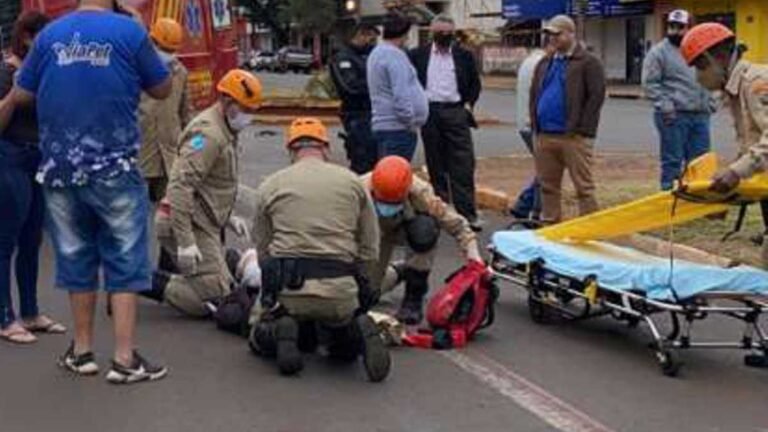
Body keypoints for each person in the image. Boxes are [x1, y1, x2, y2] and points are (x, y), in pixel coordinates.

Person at [10, 0, 173, 384]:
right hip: (113, 167)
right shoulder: (129, 31)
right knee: (124, 259)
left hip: (60, 170)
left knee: (76, 258)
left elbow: (21, 93)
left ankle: (82, 352)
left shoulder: (50, 35)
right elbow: (162, 88)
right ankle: (123, 359)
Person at [248, 117, 390, 382]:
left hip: (290, 292)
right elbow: (370, 247)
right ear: (326, 148)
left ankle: (279, 331)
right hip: (340, 290)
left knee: (258, 336)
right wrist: (359, 287)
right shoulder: (353, 183)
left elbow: (263, 250)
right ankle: (354, 332)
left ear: (291, 150)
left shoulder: (271, 184)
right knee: (340, 348)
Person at [143, 69, 261, 317]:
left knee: (226, 289)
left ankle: (195, 274)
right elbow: (180, 186)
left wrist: (227, 218)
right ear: (228, 102)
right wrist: (185, 243)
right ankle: (137, 279)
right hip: (184, 222)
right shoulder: (209, 135)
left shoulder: (226, 128)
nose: (249, 117)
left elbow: (211, 184)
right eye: (246, 109)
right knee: (214, 301)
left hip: (202, 222)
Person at [0, 12, 65, 345]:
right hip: (11, 156)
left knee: (32, 238)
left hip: (40, 158)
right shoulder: (7, 69)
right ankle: (4, 316)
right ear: (26, 37)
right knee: (7, 239)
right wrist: (15, 89)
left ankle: (30, 311)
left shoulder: (44, 71)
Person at [680, 23, 768, 259]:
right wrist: (723, 198)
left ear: (719, 56)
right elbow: (752, 147)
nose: (698, 75)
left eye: (701, 66)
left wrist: (735, 172)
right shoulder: (736, 91)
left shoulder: (756, 82)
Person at [362, 156, 482, 325]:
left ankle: (414, 294)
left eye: (393, 201)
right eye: (382, 200)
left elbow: (457, 225)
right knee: (365, 296)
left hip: (405, 229)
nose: (387, 206)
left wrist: (474, 257)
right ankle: (400, 271)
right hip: (371, 234)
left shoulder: (421, 193)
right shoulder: (359, 190)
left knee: (424, 230)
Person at [530, 14, 606, 224]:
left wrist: (582, 129)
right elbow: (535, 93)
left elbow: (596, 96)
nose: (552, 38)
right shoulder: (545, 62)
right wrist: (535, 122)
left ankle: (591, 228)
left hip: (573, 137)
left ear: (571, 34)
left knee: (583, 187)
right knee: (548, 185)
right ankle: (551, 223)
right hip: (545, 134)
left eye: (557, 34)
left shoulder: (588, 62)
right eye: (549, 34)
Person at [409, 15, 483, 231]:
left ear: (453, 33)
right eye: (439, 32)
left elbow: (474, 84)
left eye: (448, 32)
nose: (444, 36)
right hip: (429, 113)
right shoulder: (417, 56)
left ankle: (467, 213)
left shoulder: (464, 56)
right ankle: (442, 213)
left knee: (463, 163)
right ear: (432, 32)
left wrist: (468, 105)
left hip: (455, 111)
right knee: (436, 163)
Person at [642, 9, 715, 190]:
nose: (675, 31)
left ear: (690, 28)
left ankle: (696, 199)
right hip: (674, 115)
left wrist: (710, 100)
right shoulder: (658, 53)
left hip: (700, 115)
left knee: (699, 161)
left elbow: (708, 76)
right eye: (672, 26)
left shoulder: (700, 51)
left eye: (680, 27)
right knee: (672, 161)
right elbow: (649, 84)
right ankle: (668, 201)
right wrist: (665, 105)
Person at [139, 17, 190, 203]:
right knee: (138, 212)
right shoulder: (136, 70)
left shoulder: (180, 72)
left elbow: (186, 115)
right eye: (164, 49)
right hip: (142, 153)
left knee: (168, 212)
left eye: (172, 50)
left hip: (169, 154)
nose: (169, 54)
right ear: (152, 43)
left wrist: (195, 146)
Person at [367, 12, 428, 161]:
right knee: (395, 180)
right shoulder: (395, 55)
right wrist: (410, 121)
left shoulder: (377, 52)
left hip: (384, 126)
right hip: (397, 128)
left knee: (385, 175)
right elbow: (401, 93)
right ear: (404, 34)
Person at [329, 21, 380, 174]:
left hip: (373, 113)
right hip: (356, 114)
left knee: (376, 158)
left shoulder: (369, 55)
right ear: (360, 35)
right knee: (362, 159)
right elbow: (351, 87)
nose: (373, 43)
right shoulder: (343, 57)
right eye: (370, 38)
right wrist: (378, 86)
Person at [510, 47, 547, 220]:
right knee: (547, 169)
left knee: (544, 168)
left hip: (524, 122)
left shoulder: (529, 61)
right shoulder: (542, 64)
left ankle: (525, 204)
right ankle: (535, 209)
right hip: (535, 124)